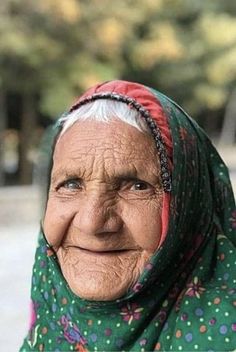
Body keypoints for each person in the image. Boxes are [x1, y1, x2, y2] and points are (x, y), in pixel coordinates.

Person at [20, 80, 236, 352]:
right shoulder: (48, 329)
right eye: (71, 184)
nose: (92, 223)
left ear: (189, 206)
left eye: (136, 186)